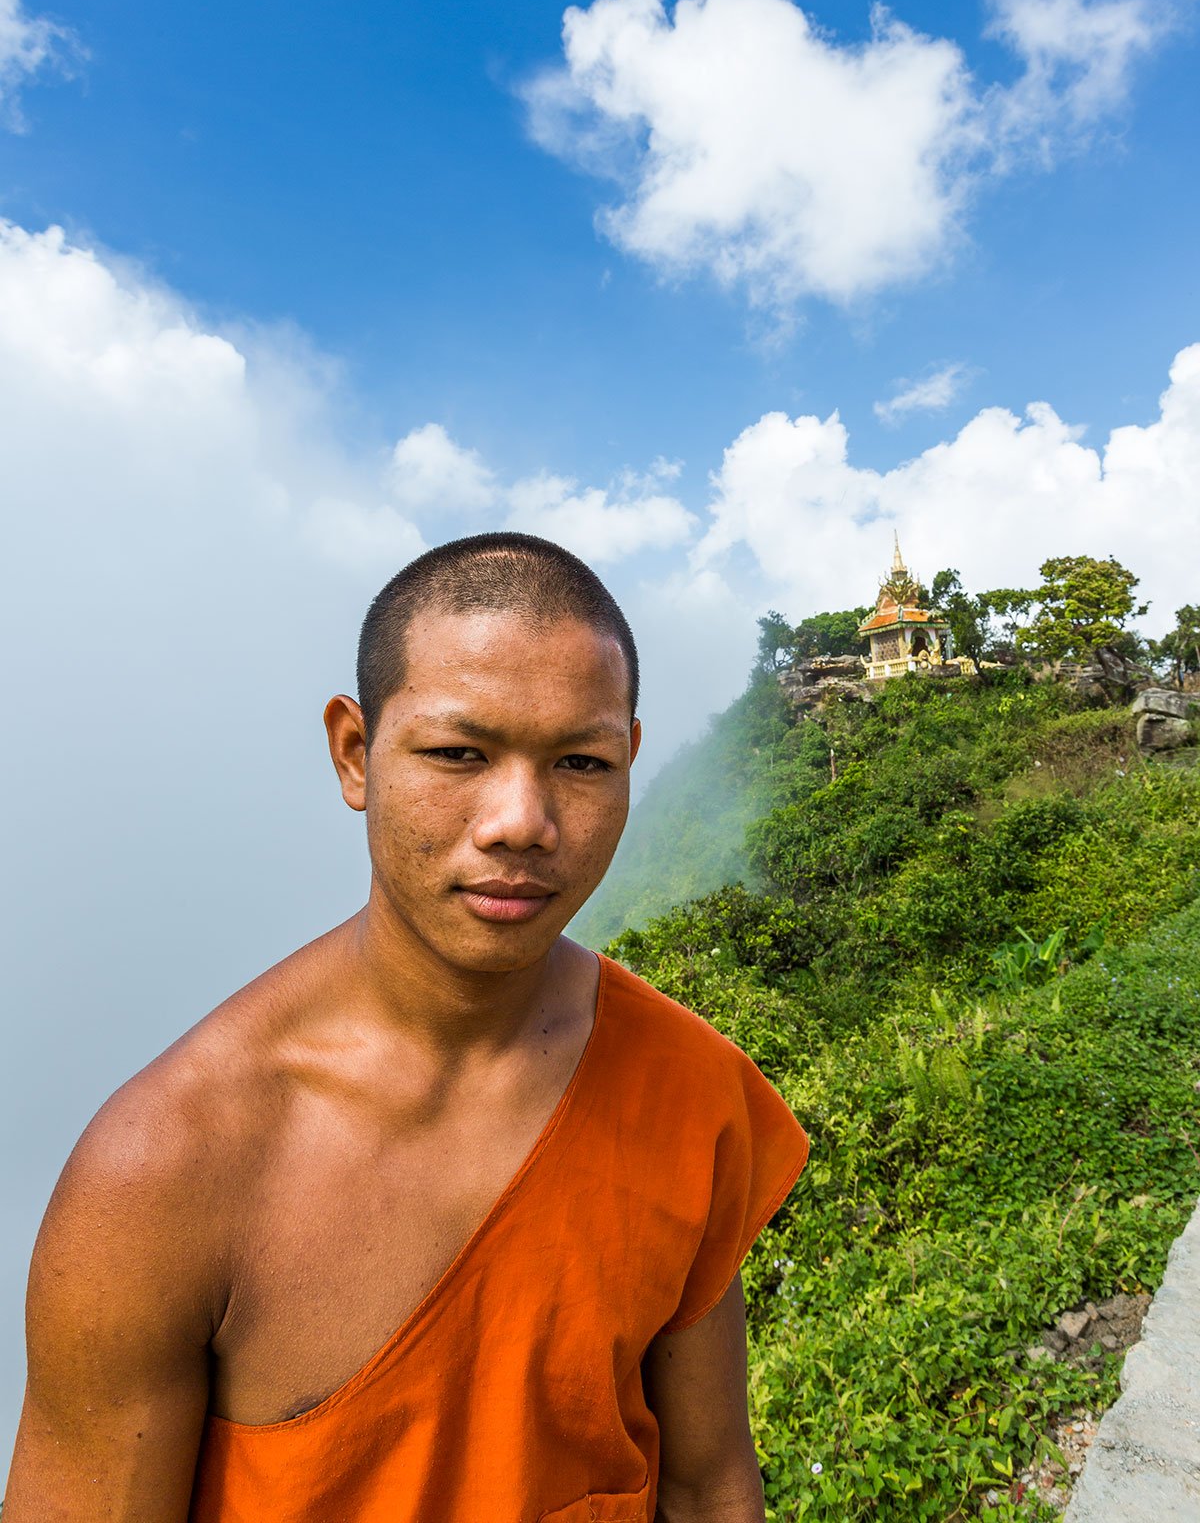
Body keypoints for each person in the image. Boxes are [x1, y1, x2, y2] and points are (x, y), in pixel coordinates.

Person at [5, 532, 808, 1523]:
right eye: (459, 754)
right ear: (355, 752)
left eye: (581, 762)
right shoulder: (167, 1170)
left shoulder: (684, 1086)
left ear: (630, 761)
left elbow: (709, 1482)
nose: (521, 820)